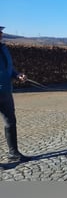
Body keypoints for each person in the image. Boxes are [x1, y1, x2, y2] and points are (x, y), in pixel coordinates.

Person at [0, 26, 30, 162]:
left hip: (6, 91)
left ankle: (14, 153)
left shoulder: (3, 48)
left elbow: (9, 67)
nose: (1, 34)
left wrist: (17, 75)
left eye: (0, 32)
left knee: (10, 122)